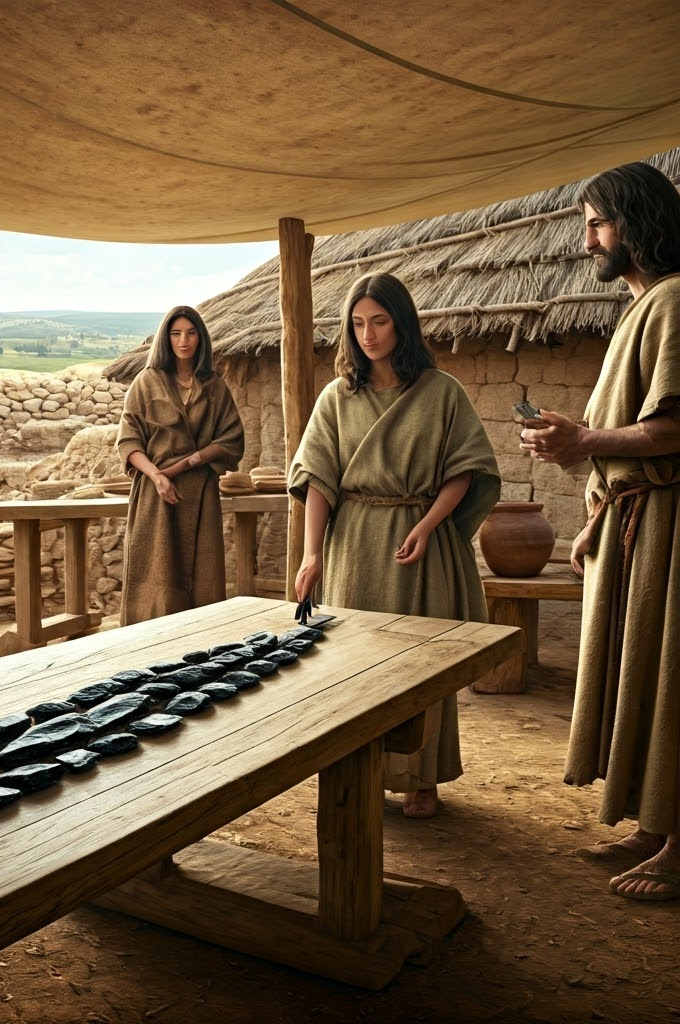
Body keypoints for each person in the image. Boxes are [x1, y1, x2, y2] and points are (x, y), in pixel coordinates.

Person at [519, 161, 680, 900]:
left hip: (671, 530)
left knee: (671, 676)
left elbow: (671, 428)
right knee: (644, 675)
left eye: (598, 222)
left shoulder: (677, 299)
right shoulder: (644, 306)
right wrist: (592, 522)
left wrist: (584, 442)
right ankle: (655, 823)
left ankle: (677, 848)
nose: (588, 240)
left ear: (636, 221)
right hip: (634, 525)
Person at [289, 272, 500, 818]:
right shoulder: (338, 396)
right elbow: (317, 478)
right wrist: (313, 554)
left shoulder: (441, 391)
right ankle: (359, 774)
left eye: (379, 321)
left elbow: (466, 469)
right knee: (352, 665)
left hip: (418, 545)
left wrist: (429, 525)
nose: (368, 334)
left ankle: (421, 779)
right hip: (354, 545)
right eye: (357, 323)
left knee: (418, 665)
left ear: (401, 323)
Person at [116, 305, 245, 625]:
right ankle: (146, 644)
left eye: (190, 333)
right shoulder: (146, 382)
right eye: (175, 333)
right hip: (155, 494)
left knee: (202, 574)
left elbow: (232, 439)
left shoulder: (214, 385)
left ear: (201, 338)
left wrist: (191, 461)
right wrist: (157, 475)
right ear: (166, 338)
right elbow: (128, 442)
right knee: (155, 573)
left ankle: (199, 646)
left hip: (200, 492)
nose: (183, 340)